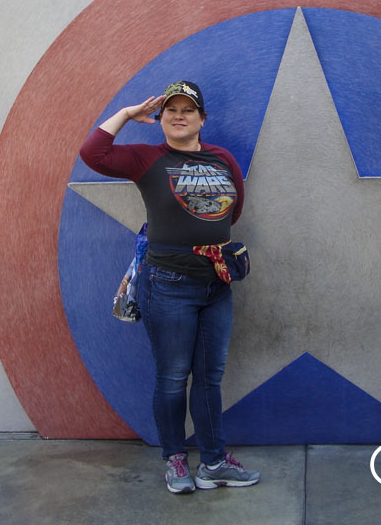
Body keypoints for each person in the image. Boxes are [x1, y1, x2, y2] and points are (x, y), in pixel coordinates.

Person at [80, 80, 260, 494]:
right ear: (160, 118)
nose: (179, 116)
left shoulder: (222, 158)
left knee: (210, 378)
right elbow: (93, 153)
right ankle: (175, 461)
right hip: (168, 285)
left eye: (188, 110)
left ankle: (213, 462)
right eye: (171, 110)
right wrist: (127, 114)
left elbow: (234, 210)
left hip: (217, 283)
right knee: (173, 376)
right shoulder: (147, 158)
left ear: (202, 119)